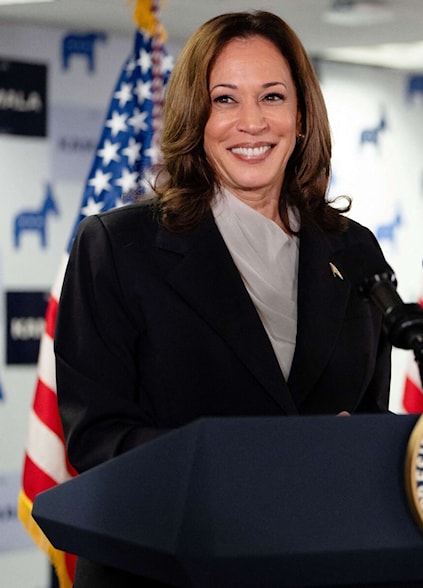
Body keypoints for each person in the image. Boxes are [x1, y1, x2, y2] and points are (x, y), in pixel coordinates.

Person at [55, 11, 392, 586]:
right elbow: (99, 438)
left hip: (315, 567)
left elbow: (367, 417)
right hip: (165, 570)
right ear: (195, 116)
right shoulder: (118, 245)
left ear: (302, 115)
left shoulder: (354, 250)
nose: (253, 123)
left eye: (273, 96)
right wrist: (264, 460)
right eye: (226, 100)